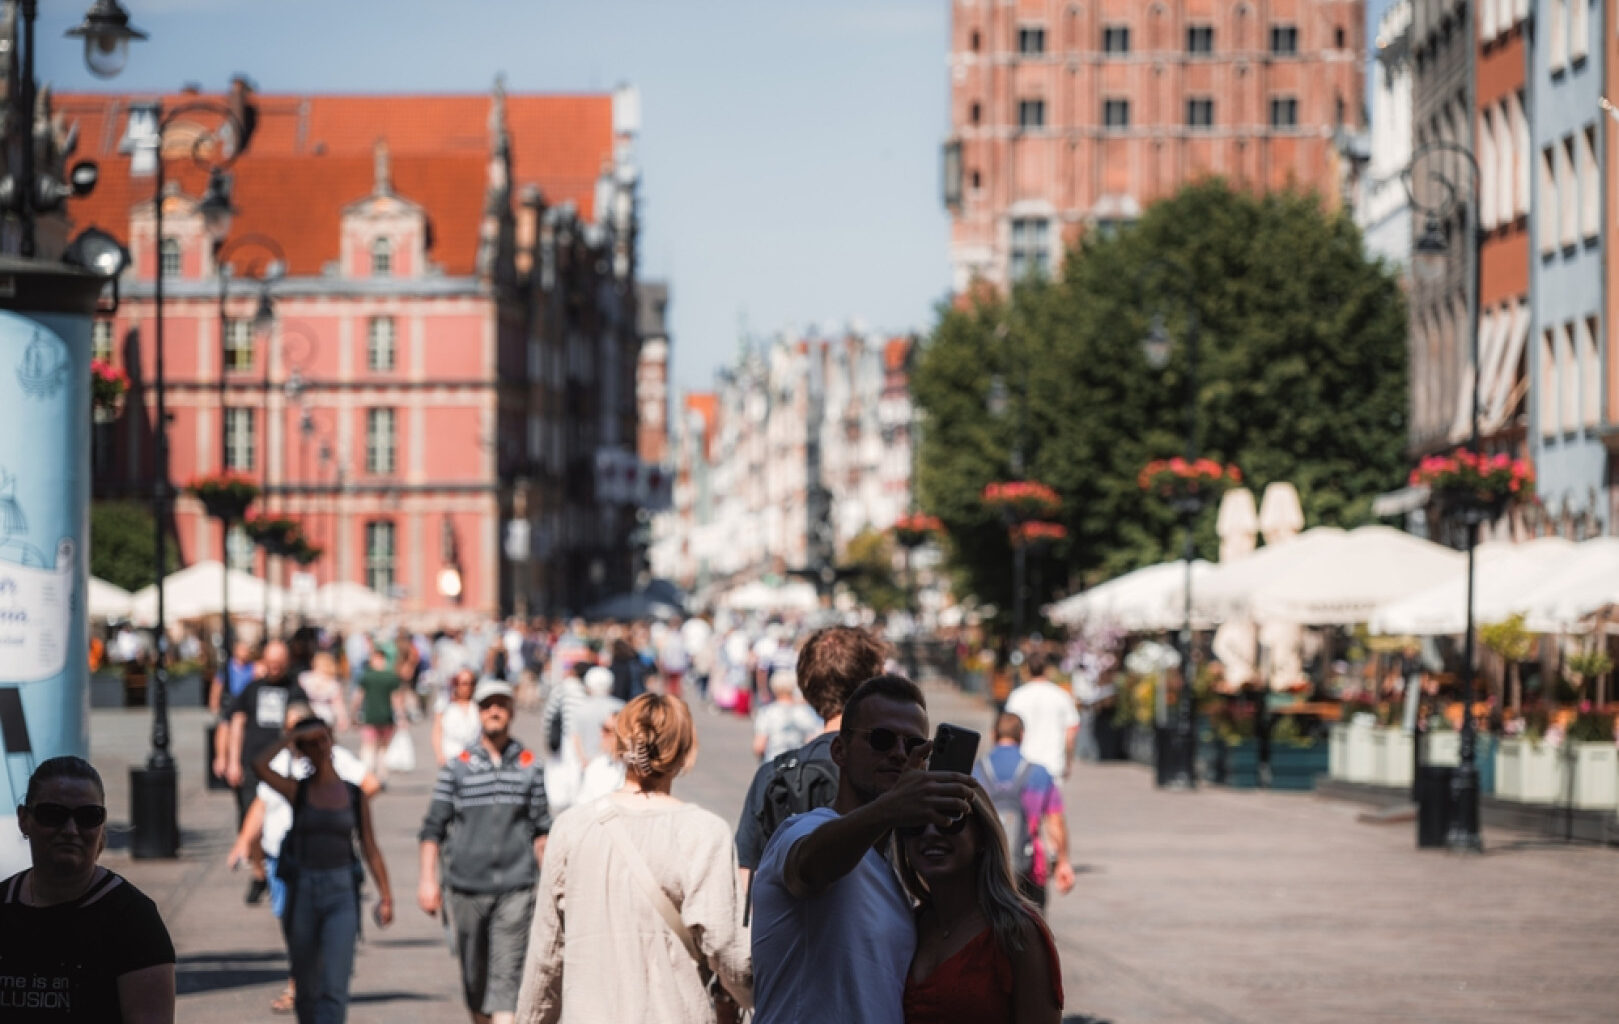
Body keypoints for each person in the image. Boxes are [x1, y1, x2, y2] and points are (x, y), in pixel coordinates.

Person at [749, 675, 974, 1024]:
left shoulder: (892, 874)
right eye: (882, 740)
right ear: (840, 751)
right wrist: (892, 807)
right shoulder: (803, 828)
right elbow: (809, 866)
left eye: (913, 744)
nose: (899, 754)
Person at [515, 693, 751, 1023]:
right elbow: (728, 949)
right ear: (685, 751)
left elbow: (547, 954)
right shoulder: (704, 833)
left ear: (619, 744)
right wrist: (752, 997)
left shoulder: (572, 828)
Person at [229, 702, 380, 1014]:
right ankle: (298, 986)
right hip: (297, 879)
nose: (317, 746)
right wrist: (292, 737)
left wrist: (386, 895)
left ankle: (307, 989)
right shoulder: (295, 786)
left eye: (321, 739)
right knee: (307, 980)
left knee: (334, 986)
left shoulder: (348, 785)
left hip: (340, 885)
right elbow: (258, 768)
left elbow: (369, 842)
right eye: (308, 741)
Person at [1, 756, 176, 1023]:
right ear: (24, 819)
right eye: (53, 815)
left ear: (102, 826)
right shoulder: (5, 906)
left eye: (88, 817)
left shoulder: (133, 919)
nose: (71, 830)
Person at [418, 679, 551, 1024]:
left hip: (516, 888)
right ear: (478, 712)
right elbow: (433, 828)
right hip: (465, 887)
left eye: (502, 704)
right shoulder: (456, 768)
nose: (495, 711)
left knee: (508, 975)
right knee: (475, 978)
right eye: (488, 704)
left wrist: (552, 885)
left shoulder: (529, 767)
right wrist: (427, 881)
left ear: (512, 711)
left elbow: (542, 831)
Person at [896, 786, 1063, 1024]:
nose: (931, 832)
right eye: (916, 822)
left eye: (951, 817)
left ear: (982, 836)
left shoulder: (1017, 932)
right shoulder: (907, 926)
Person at [734, 626, 888, 881]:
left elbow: (747, 875)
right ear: (873, 685)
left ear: (806, 688)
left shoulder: (774, 773)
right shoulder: (888, 769)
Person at [221, 640, 310, 902]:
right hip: (252, 764)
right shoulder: (253, 688)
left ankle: (274, 871)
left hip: (283, 767)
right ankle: (260, 873)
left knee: (279, 823)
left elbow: (304, 724)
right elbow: (236, 722)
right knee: (251, 823)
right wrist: (231, 760)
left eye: (279, 663)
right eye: (270, 662)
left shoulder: (295, 689)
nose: (274, 668)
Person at [974, 713, 1076, 913]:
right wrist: (1062, 863)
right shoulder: (1039, 773)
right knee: (1032, 933)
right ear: (1022, 735)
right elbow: (1055, 822)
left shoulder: (975, 771)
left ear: (993, 734)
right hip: (1029, 868)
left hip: (983, 867)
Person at [1003, 652, 1080, 781]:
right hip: (1053, 765)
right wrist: (1068, 762)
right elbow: (1070, 734)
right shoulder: (1061, 695)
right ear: (1047, 669)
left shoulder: (1017, 696)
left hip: (1024, 765)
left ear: (1027, 669)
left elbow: (1009, 732)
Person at [354, 647, 402, 786]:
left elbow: (358, 696)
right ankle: (382, 777)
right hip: (386, 718)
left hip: (370, 717)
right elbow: (396, 699)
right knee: (382, 749)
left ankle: (367, 776)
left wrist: (354, 713)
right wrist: (400, 716)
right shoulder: (391, 677)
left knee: (368, 748)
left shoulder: (367, 676)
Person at [751, 670, 823, 762]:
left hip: (773, 764)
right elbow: (814, 739)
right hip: (798, 766)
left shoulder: (766, 713)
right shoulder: (805, 712)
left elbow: (759, 746)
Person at [434, 668, 483, 766]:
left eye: (472, 683)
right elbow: (437, 731)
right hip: (451, 755)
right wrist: (439, 754)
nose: (468, 687)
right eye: (464, 683)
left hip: (474, 757)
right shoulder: (445, 706)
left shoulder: (479, 706)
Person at [300, 652, 350, 732]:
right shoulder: (333, 684)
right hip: (326, 716)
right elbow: (338, 704)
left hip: (308, 715)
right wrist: (343, 719)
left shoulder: (305, 678)